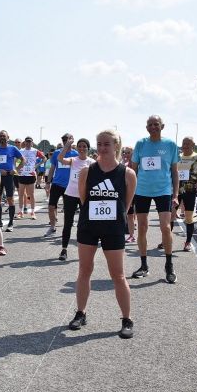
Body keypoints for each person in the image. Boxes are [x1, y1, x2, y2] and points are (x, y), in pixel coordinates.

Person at [68, 129, 137, 339]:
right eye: (99, 144)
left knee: (118, 274)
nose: (102, 148)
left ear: (116, 146)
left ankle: (126, 319)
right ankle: (81, 313)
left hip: (113, 227)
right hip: (89, 225)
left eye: (106, 144)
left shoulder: (127, 174)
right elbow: (83, 199)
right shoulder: (87, 171)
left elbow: (126, 203)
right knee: (84, 270)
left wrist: (112, 216)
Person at [130, 115, 179, 283]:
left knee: (165, 227)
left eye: (156, 124)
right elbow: (133, 169)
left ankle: (169, 265)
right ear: (146, 127)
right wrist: (129, 192)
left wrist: (176, 194)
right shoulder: (141, 144)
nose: (153, 127)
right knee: (142, 227)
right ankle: (144, 265)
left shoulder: (170, 145)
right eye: (150, 124)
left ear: (162, 126)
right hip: (142, 190)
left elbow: (174, 171)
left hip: (163, 190)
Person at [56, 136, 94, 261]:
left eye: (84, 146)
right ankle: (64, 249)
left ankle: (82, 250)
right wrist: (67, 145)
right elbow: (60, 159)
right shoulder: (73, 159)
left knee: (84, 224)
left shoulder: (91, 162)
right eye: (80, 146)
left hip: (84, 196)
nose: (82, 148)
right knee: (68, 223)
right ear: (76, 148)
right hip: (70, 195)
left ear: (88, 148)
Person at [45, 133, 78, 237]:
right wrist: (48, 182)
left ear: (72, 140)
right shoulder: (56, 153)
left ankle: (66, 228)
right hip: (57, 183)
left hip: (70, 185)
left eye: (67, 139)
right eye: (63, 139)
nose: (65, 141)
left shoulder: (75, 154)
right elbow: (52, 168)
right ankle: (52, 227)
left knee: (68, 209)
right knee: (51, 206)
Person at [0, 130, 23, 231]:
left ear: (8, 138)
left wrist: (16, 169)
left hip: (9, 176)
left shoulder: (12, 148)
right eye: (0, 136)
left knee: (10, 199)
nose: (2, 138)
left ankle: (10, 223)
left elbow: (23, 159)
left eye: (4, 136)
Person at [16, 136, 44, 220]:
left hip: (31, 175)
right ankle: (20, 212)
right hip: (22, 175)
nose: (28, 143)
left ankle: (32, 212)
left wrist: (36, 166)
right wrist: (17, 169)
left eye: (30, 142)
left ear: (32, 143)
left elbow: (44, 158)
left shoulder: (35, 151)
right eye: (27, 142)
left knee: (31, 195)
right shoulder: (21, 151)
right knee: (21, 194)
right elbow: (17, 161)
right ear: (25, 142)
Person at [121, 146, 136, 243]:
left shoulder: (136, 165)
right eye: (124, 153)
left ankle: (132, 234)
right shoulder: (124, 164)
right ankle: (131, 235)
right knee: (129, 215)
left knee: (136, 215)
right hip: (126, 192)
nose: (126, 154)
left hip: (137, 192)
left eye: (128, 153)